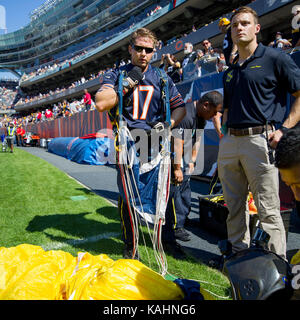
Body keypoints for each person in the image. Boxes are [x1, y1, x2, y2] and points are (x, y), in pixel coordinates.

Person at [95, 28, 186, 259]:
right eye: (139, 49)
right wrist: (127, 83)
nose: (143, 54)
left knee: (163, 194)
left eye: (148, 50)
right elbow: (101, 103)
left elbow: (180, 107)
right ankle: (130, 244)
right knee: (128, 195)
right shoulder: (116, 74)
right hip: (127, 142)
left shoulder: (162, 78)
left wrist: (168, 125)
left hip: (155, 141)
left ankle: (166, 241)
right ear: (130, 49)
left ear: (154, 51)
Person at [217, 6, 300, 260]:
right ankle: (238, 259)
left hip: (260, 140)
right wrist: (225, 134)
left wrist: (284, 129)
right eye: (234, 25)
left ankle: (277, 264)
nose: (238, 28)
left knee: (268, 210)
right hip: (231, 142)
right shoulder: (230, 71)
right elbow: (228, 108)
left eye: (244, 23)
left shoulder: (275, 58)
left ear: (257, 28)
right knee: (234, 207)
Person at [162, 91, 223, 258]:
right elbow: (177, 143)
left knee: (185, 190)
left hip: (183, 156)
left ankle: (183, 219)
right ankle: (175, 226)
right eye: (215, 111)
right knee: (174, 191)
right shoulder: (187, 114)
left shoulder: (201, 117)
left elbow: (196, 139)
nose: (216, 116)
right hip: (171, 155)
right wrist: (177, 168)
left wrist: (191, 161)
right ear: (205, 105)